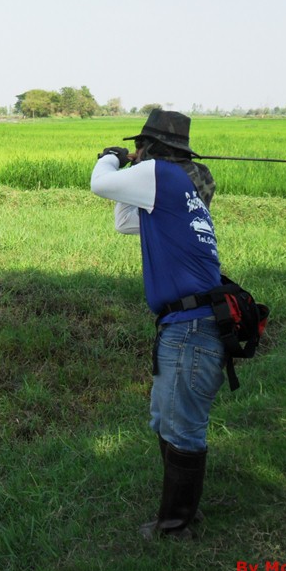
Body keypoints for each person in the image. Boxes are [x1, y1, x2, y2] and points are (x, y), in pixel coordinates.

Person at [90, 108, 223, 540]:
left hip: (190, 328)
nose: (135, 152)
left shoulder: (161, 176)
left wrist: (110, 156)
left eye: (139, 146)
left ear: (152, 150)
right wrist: (131, 170)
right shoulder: (177, 190)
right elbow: (125, 221)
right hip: (186, 325)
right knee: (164, 420)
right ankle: (182, 514)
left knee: (181, 425)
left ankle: (175, 526)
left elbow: (99, 183)